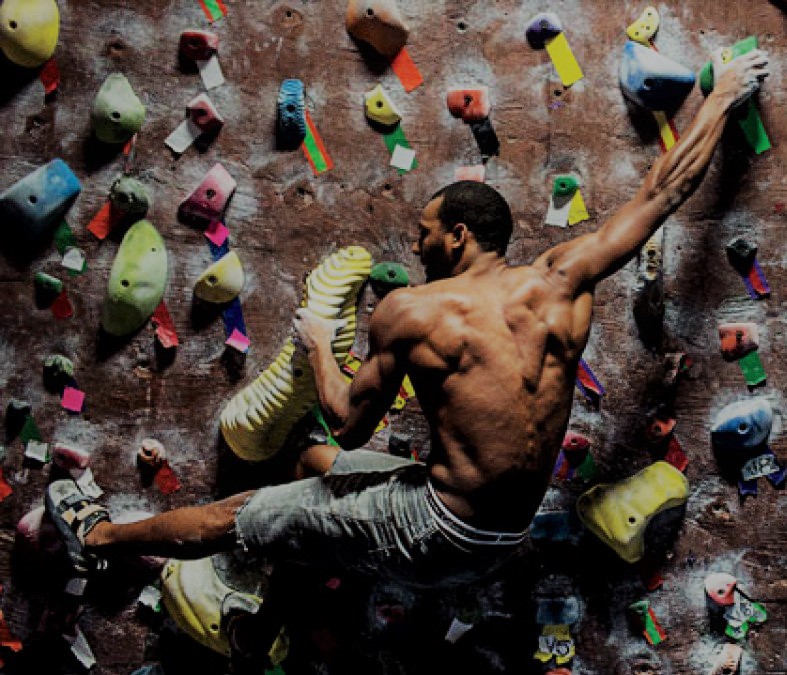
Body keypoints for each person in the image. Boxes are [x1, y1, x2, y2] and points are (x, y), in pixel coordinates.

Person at [46, 50, 769, 592]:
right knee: (313, 465)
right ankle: (305, 523)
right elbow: (663, 190)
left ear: (457, 234)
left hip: (434, 532)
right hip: (502, 532)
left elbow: (348, 420)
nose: (417, 244)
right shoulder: (563, 278)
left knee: (235, 513)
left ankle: (97, 534)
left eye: (424, 231)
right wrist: (726, 95)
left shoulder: (413, 310)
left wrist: (317, 347)